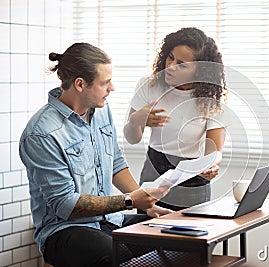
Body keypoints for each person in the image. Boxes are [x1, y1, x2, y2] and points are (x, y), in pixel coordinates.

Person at [19, 43, 171, 267]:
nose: (113, 88)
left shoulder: (101, 111)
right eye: (105, 83)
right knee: (116, 256)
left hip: (110, 221)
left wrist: (145, 203)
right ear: (80, 84)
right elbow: (66, 205)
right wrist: (130, 201)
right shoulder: (42, 134)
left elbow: (115, 162)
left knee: (171, 238)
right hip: (64, 231)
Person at [123, 27, 229, 211]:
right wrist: (137, 120)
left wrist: (212, 165)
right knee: (146, 236)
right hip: (154, 173)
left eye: (181, 64)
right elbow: (132, 138)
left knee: (191, 237)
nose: (171, 66)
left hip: (193, 179)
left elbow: (214, 151)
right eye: (170, 57)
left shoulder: (211, 99)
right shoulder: (149, 85)